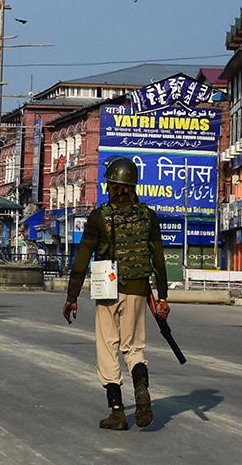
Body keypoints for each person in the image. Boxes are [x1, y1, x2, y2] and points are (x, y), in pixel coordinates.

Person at [61, 157, 170, 430]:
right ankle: (141, 385)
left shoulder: (100, 216)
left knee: (107, 347)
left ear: (110, 184)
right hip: (138, 288)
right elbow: (158, 258)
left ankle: (117, 411)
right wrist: (163, 296)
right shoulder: (148, 216)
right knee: (133, 347)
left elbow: (83, 257)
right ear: (133, 185)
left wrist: (72, 296)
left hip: (107, 289)